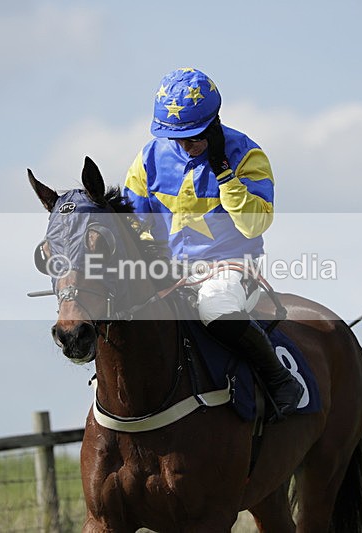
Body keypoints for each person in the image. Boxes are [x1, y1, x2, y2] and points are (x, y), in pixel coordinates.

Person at [123, 67, 303, 421]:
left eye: (193, 138)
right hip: (167, 270)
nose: (185, 146)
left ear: (213, 124)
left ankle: (280, 380)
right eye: (177, 139)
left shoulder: (247, 155)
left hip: (232, 267)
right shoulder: (148, 158)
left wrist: (224, 172)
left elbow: (255, 224)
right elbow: (133, 221)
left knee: (215, 309)